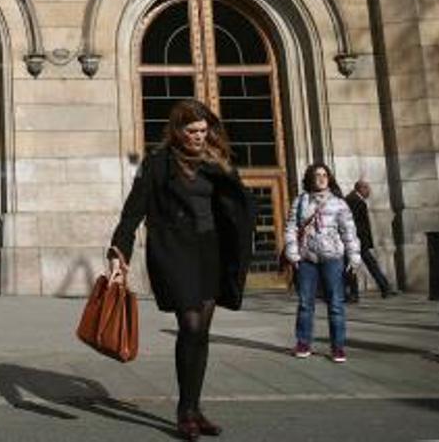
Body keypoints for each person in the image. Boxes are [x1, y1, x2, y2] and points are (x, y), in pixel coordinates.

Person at [109, 100, 256, 441]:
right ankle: (184, 412)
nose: (198, 137)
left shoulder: (216, 161)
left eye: (203, 131)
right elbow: (132, 213)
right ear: (177, 131)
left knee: (201, 331)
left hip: (211, 251)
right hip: (175, 252)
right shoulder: (157, 164)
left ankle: (193, 407)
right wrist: (119, 254)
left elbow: (237, 204)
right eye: (192, 132)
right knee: (189, 324)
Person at [284, 162, 361, 364]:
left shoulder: (339, 203)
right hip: (307, 259)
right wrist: (293, 253)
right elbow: (291, 227)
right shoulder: (300, 201)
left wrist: (354, 257)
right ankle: (303, 343)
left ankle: (338, 347)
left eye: (324, 175)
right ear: (310, 178)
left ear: (329, 178)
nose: (321, 178)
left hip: (332, 258)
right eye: (317, 175)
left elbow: (349, 232)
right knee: (305, 303)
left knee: (336, 304)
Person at [344, 179, 394, 301]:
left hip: (355, 240)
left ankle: (357, 293)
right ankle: (383, 288)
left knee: (357, 266)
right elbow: (357, 223)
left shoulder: (350, 199)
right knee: (363, 265)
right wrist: (360, 240)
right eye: (367, 188)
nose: (369, 191)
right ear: (360, 189)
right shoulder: (356, 201)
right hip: (357, 240)